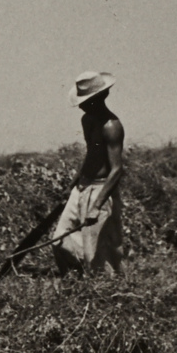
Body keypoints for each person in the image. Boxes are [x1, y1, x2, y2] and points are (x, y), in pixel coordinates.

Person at [53, 71, 125, 275]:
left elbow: (117, 169)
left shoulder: (112, 127)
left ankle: (102, 296)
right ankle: (74, 285)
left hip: (102, 189)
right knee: (60, 241)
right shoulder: (87, 121)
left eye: (86, 101)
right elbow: (92, 154)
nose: (82, 105)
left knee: (97, 255)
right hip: (83, 186)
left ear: (98, 98)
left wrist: (97, 206)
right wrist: (75, 183)